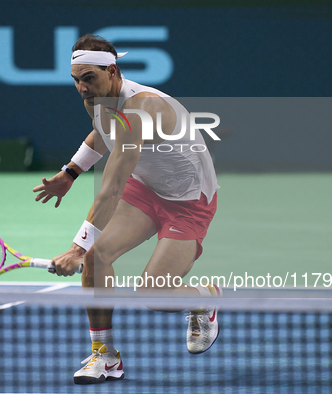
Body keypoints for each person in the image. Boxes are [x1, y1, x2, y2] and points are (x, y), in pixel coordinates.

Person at [33, 34, 221, 385]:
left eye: (88, 78)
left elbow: (112, 187)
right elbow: (101, 134)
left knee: (154, 295)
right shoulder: (99, 98)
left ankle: (206, 298)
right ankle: (104, 356)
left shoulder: (142, 109)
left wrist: (76, 248)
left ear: (113, 71)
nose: (82, 88)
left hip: (189, 202)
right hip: (145, 190)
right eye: (75, 80)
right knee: (96, 254)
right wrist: (70, 173)